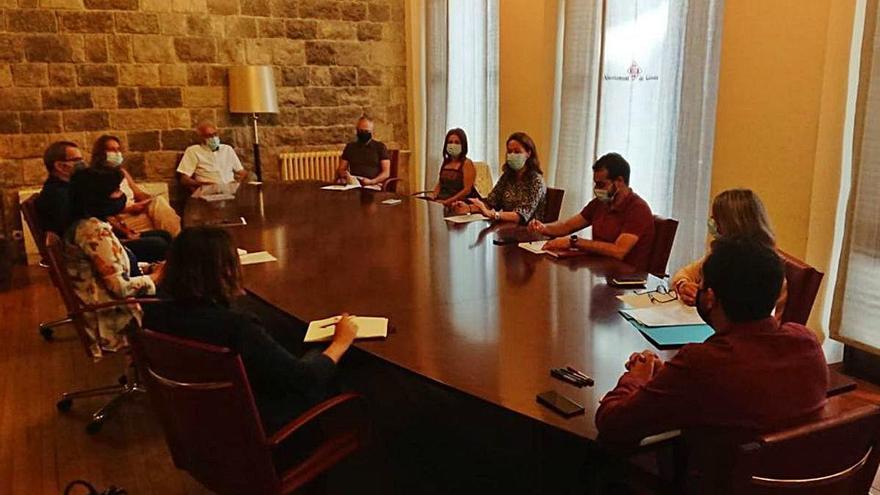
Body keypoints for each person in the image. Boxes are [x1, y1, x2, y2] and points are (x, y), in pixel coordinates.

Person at [595, 236, 828, 444]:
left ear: (709, 298)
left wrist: (635, 377)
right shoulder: (807, 343)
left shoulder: (702, 363)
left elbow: (613, 424)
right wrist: (668, 375)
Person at [143, 226, 358, 434]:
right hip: (256, 426)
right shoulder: (237, 327)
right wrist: (340, 341)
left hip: (199, 425)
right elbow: (304, 379)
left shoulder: (154, 313)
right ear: (225, 270)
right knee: (328, 358)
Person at [64, 167, 161, 356]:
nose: (121, 195)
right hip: (115, 315)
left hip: (113, 304)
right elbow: (121, 288)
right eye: (116, 190)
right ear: (98, 197)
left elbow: (114, 269)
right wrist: (157, 277)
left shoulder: (87, 224)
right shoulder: (94, 232)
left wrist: (151, 269)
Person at [672, 189, 792, 327]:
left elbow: (767, 327)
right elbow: (684, 273)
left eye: (716, 221)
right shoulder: (721, 257)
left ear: (730, 225)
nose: (712, 225)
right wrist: (683, 285)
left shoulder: (766, 270)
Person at [529, 153, 655, 271]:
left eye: (601, 184)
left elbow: (618, 251)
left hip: (626, 278)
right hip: (600, 270)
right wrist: (543, 228)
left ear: (620, 181)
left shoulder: (638, 209)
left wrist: (574, 242)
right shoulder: (600, 204)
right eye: (595, 184)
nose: (597, 189)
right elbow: (567, 226)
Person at [91, 134, 181, 237]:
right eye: (112, 150)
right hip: (120, 216)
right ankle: (179, 244)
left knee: (159, 203)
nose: (116, 153)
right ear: (101, 153)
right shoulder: (95, 176)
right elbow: (102, 207)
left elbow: (138, 193)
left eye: (118, 150)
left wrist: (147, 201)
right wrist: (130, 208)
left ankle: (177, 244)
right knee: (166, 221)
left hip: (136, 211)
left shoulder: (122, 172)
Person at [451, 132, 546, 224]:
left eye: (517, 152)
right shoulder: (507, 176)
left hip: (528, 233)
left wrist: (493, 214)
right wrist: (468, 208)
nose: (512, 155)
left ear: (528, 153)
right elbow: (490, 202)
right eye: (509, 151)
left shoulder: (536, 180)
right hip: (506, 228)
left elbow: (521, 216)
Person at [177, 121, 248, 192]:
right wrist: (203, 184)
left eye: (215, 134)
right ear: (201, 137)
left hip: (230, 189)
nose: (213, 138)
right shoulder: (193, 151)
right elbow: (184, 180)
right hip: (208, 190)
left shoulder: (227, 149)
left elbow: (242, 172)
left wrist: (236, 182)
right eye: (209, 136)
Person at [35, 141, 85, 236]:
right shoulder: (55, 194)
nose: (82, 163)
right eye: (77, 160)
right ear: (59, 166)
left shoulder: (68, 187)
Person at [337, 116, 391, 187]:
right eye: (360, 131)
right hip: (354, 183)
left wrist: (372, 181)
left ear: (372, 131)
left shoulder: (380, 147)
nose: (363, 133)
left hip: (373, 184)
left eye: (366, 131)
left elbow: (386, 173)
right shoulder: (350, 147)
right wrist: (345, 175)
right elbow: (341, 169)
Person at [428, 128, 478, 205]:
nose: (453, 145)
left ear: (463, 145)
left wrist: (447, 202)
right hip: (442, 201)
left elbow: (467, 190)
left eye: (457, 142)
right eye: (450, 142)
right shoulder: (446, 162)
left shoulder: (467, 163)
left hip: (460, 203)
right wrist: (433, 196)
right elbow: (440, 183)